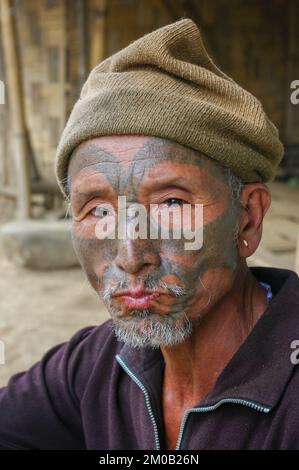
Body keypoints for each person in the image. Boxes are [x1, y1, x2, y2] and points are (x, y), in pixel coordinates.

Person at [0, 19, 298, 450]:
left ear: (248, 219)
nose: (130, 254)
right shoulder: (96, 363)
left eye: (171, 204)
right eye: (98, 209)